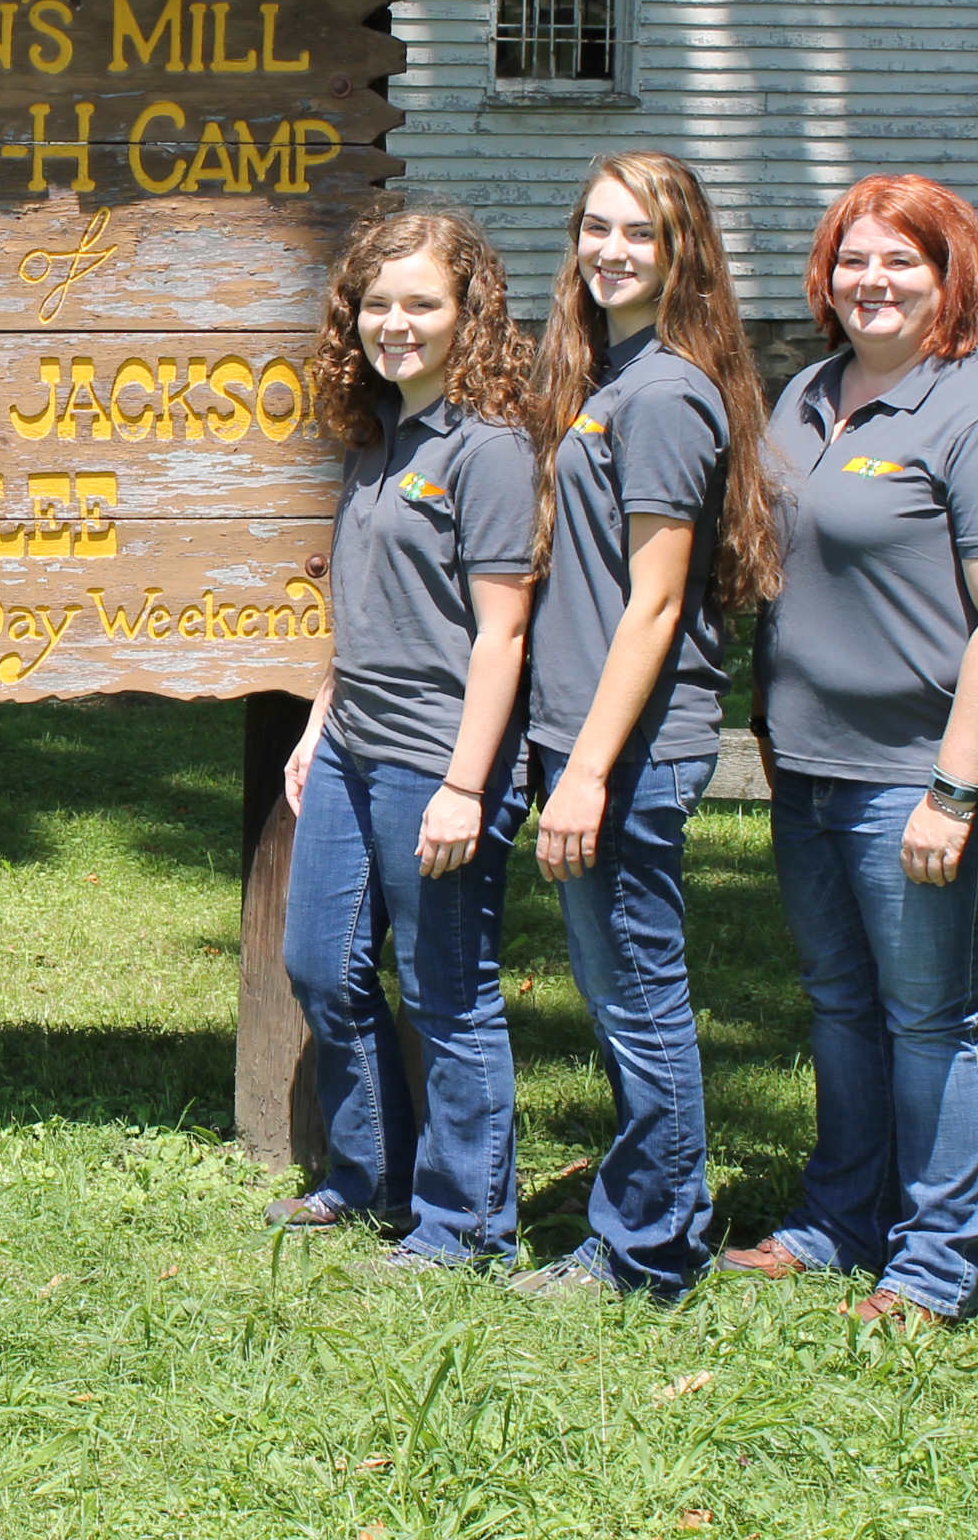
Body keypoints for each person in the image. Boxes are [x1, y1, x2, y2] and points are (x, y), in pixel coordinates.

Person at [722, 175, 978, 1327]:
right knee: (840, 1002)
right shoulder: (810, 395)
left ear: (950, 278)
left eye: (901, 263)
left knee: (933, 1014)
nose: (871, 282)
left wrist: (954, 788)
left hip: (926, 778)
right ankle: (841, 1218)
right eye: (851, 261)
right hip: (813, 766)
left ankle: (934, 1262)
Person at [515, 149, 785, 1299]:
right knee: (623, 993)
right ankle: (647, 1226)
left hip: (623, 752)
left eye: (639, 234)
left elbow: (658, 601)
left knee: (639, 1002)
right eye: (595, 226)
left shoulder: (667, 392)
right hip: (582, 737)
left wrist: (584, 772)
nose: (611, 250)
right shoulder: (608, 380)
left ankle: (649, 1248)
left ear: (682, 255)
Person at [275, 211, 541, 1270]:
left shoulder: (491, 449)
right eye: (377, 303)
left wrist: (467, 786)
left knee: (446, 989)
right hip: (352, 743)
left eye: (421, 302)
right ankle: (368, 1175)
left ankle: (466, 1222)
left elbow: (504, 631)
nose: (396, 323)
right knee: (318, 966)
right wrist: (316, 723)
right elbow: (363, 602)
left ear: (467, 313)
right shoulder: (378, 434)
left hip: (440, 755)